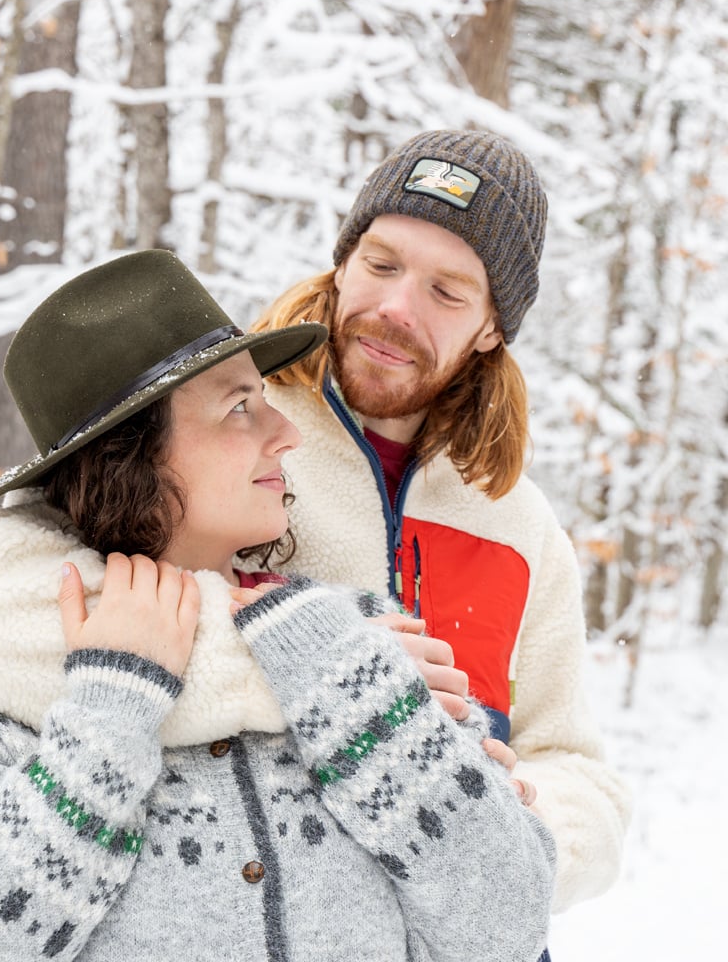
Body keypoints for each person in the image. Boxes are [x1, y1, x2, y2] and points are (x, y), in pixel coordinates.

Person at [0, 250, 555, 961]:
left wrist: (362, 701)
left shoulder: (354, 633)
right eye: (239, 408)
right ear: (129, 458)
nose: (283, 432)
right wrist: (108, 720)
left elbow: (508, 924)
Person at [252, 129, 632, 913]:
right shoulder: (232, 436)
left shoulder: (521, 529)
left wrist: (510, 831)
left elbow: (572, 764)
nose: (395, 308)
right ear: (343, 263)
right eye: (381, 265)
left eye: (446, 292)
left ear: (493, 327)